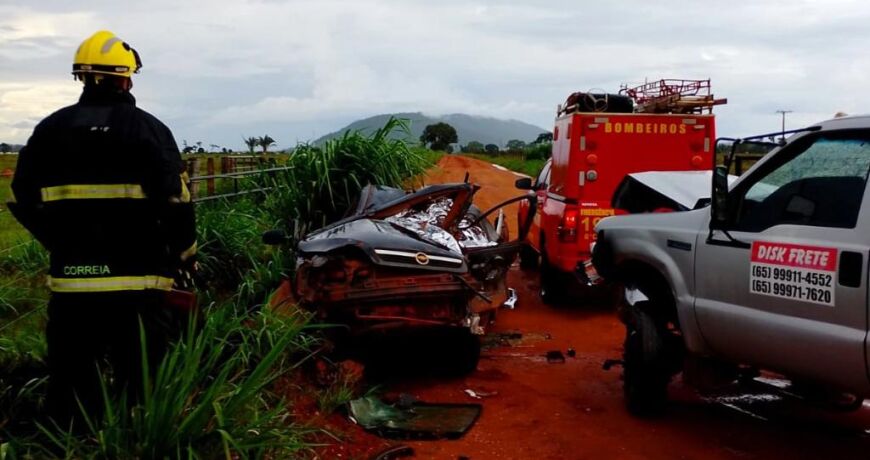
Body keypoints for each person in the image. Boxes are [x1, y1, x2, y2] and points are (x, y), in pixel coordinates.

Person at [8, 30, 197, 423]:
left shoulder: (49, 130)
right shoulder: (149, 130)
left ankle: (73, 442)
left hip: (72, 285)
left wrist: (61, 242)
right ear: (126, 78)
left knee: (73, 383)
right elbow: (177, 202)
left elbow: (23, 196)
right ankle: (138, 441)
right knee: (141, 384)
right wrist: (183, 256)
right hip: (140, 284)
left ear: (81, 77)